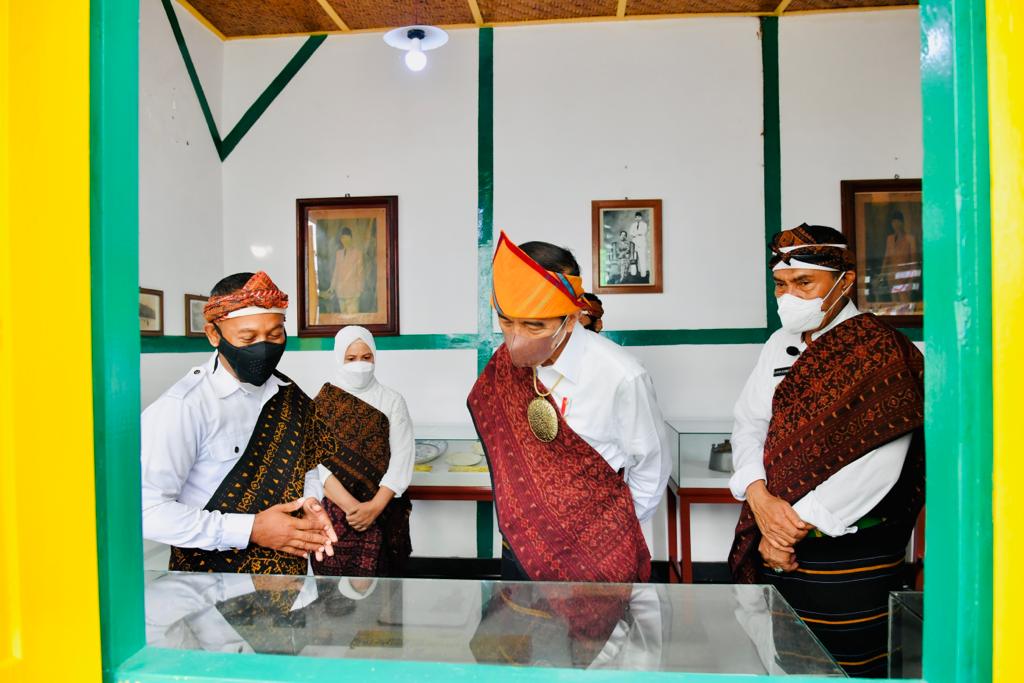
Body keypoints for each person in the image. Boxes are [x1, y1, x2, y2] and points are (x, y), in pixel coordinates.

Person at [727, 224, 925, 678]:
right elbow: (749, 423)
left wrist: (787, 529)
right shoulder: (779, 344)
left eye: (804, 283)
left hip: (850, 545)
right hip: (774, 526)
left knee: (850, 661)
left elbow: (879, 463)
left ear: (844, 282)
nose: (789, 295)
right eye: (781, 284)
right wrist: (757, 495)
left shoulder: (880, 349)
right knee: (784, 655)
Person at [468, 232, 670, 583]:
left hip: (593, 550)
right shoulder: (503, 366)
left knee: (593, 637)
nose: (516, 337)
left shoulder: (621, 376)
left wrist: (612, 535)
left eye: (534, 325)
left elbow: (652, 466)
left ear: (571, 318)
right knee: (518, 632)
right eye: (506, 322)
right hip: (520, 543)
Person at [141, 271, 337, 574]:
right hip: (212, 596)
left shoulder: (292, 395)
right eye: (248, 338)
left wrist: (310, 503)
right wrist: (250, 529)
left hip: (291, 583)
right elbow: (147, 511)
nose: (264, 347)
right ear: (213, 334)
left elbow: (307, 465)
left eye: (274, 336)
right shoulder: (183, 407)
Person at [307, 325, 414, 578]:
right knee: (334, 594)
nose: (360, 364)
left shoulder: (392, 400)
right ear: (338, 359)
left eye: (366, 358)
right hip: (334, 514)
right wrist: (353, 507)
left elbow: (402, 459)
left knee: (385, 592)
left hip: (384, 511)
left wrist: (374, 508)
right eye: (351, 358)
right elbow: (315, 463)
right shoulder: (321, 404)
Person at [330, 227, 364, 314]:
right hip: (340, 292)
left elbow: (360, 273)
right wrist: (332, 287)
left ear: (351, 238)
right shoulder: (338, 253)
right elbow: (336, 271)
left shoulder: (357, 253)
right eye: (342, 238)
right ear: (341, 239)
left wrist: (359, 290)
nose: (344, 240)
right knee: (343, 320)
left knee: (353, 321)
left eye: (346, 237)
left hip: (353, 294)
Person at [628, 212, 649, 280]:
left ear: (641, 217)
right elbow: (631, 233)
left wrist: (635, 234)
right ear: (635, 218)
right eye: (636, 217)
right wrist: (637, 234)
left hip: (641, 244)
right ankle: (633, 273)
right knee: (633, 258)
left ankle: (643, 274)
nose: (638, 218)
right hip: (634, 244)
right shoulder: (633, 225)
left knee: (642, 259)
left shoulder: (644, 224)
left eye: (639, 217)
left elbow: (643, 232)